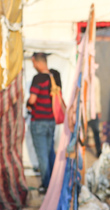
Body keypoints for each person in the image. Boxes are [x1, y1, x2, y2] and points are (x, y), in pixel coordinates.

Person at [27, 52, 62, 193]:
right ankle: (55, 182)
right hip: (51, 120)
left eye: (33, 62)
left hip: (39, 121)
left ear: (36, 61)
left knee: (42, 155)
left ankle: (47, 185)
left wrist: (27, 104)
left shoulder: (38, 78)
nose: (33, 65)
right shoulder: (55, 76)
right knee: (49, 152)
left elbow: (32, 100)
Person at [88, 74, 103, 157]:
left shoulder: (96, 80)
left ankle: (98, 151)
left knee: (96, 132)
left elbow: (97, 96)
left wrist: (98, 109)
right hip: (85, 110)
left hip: (94, 110)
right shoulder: (82, 78)